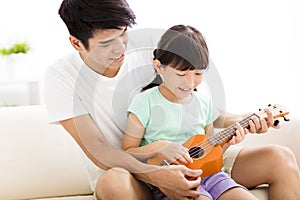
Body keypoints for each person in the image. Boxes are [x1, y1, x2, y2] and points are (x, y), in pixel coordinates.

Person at [44, 0, 300, 199]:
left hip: (192, 157)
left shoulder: (150, 47)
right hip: (130, 171)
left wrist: (242, 119)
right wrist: (158, 175)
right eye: (107, 42)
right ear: (77, 43)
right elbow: (99, 151)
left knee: (281, 158)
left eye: (123, 34)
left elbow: (191, 104)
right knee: (114, 184)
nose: (121, 47)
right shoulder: (61, 76)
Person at [122, 24, 258, 200]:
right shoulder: (144, 102)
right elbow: (127, 152)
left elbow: (208, 152)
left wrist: (229, 142)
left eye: (198, 73)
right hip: (175, 180)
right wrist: (159, 146)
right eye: (181, 74)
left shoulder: (204, 103)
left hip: (213, 176)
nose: (190, 82)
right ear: (159, 67)